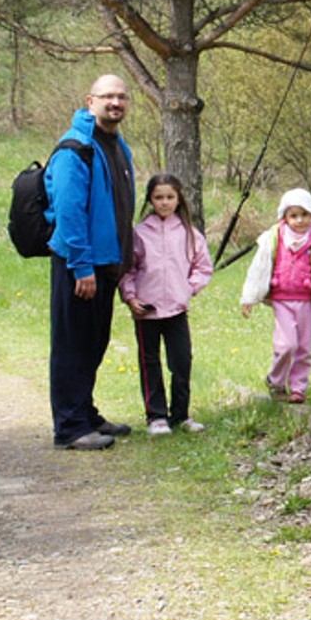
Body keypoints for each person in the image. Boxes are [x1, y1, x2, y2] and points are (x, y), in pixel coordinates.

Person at [45, 74, 138, 450]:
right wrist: (81, 266)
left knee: (94, 341)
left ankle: (85, 412)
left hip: (107, 264)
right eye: (107, 96)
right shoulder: (76, 149)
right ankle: (69, 427)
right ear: (90, 101)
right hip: (78, 265)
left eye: (121, 97)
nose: (115, 103)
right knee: (72, 344)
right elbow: (68, 212)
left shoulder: (116, 144)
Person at [119, 172, 214, 435]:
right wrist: (130, 297)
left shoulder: (189, 234)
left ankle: (181, 414)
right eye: (158, 197)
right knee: (150, 362)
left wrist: (188, 289)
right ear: (150, 199)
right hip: (146, 309)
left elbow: (202, 267)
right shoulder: (138, 233)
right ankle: (156, 416)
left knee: (181, 361)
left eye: (170, 197)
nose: (164, 202)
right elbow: (128, 269)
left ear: (179, 198)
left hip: (176, 309)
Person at [239, 188, 311, 404]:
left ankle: (298, 387)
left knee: (303, 347)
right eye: (293, 215)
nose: (299, 220)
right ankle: (275, 379)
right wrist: (250, 297)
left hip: (305, 301)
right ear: (284, 217)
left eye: (304, 215)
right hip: (282, 299)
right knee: (287, 345)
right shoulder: (274, 237)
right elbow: (260, 266)